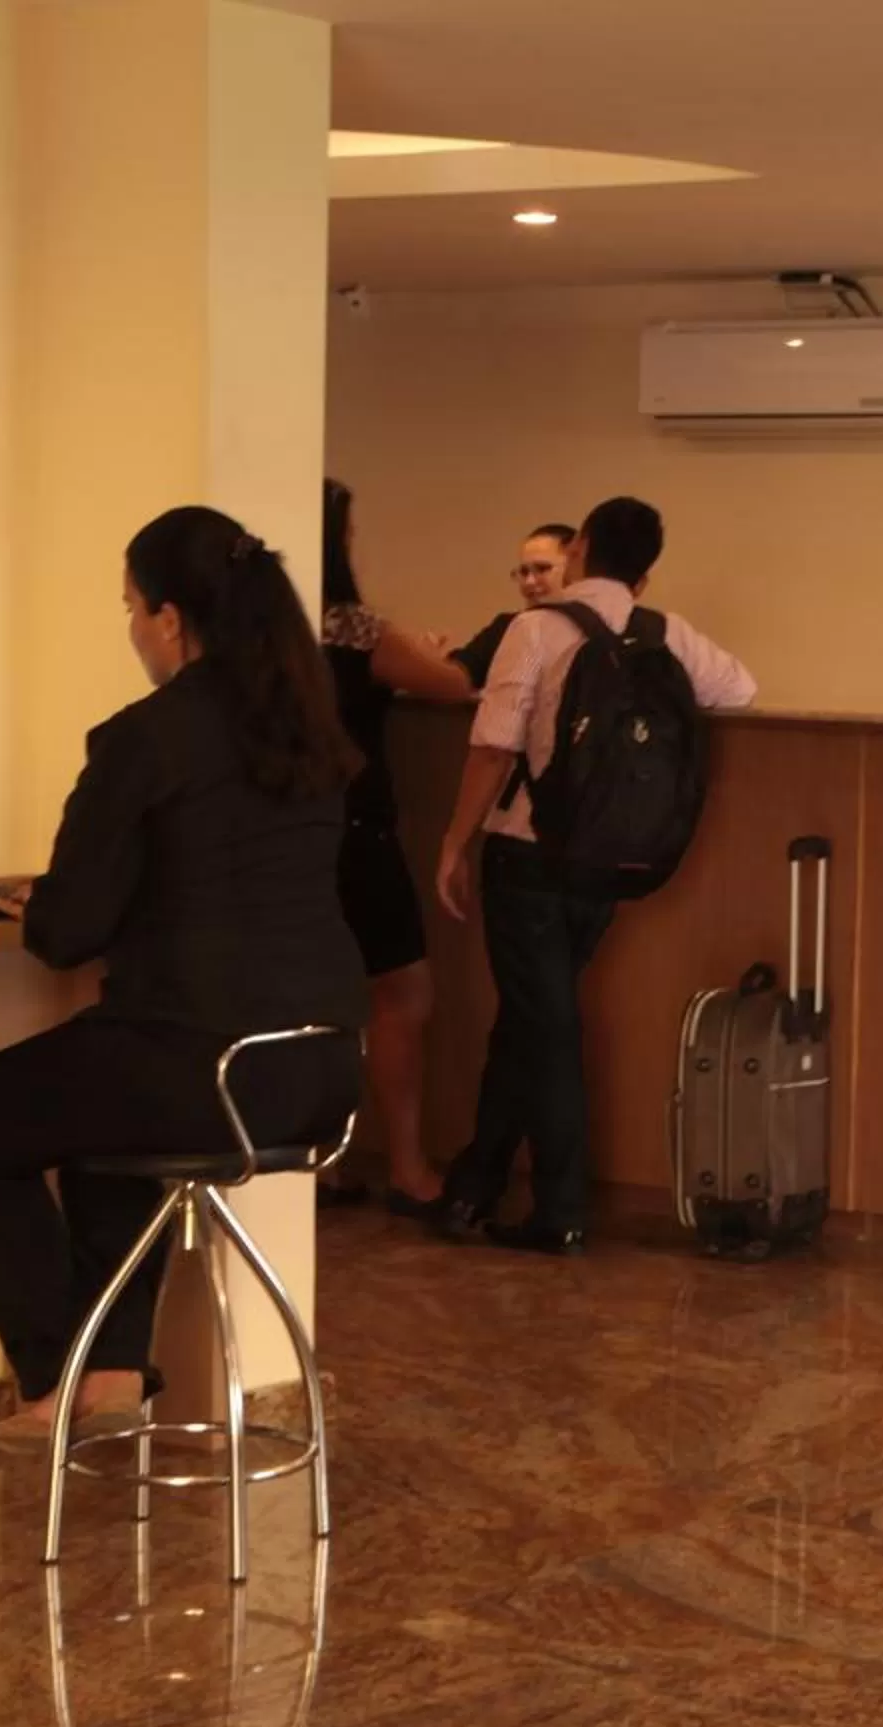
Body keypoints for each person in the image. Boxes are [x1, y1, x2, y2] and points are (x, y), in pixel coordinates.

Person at [0, 506, 366, 1451]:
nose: (131, 629)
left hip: (200, 1071)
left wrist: (41, 902)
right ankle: (116, 1375)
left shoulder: (145, 737)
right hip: (319, 1068)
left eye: (131, 608)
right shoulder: (307, 731)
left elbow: (67, 934)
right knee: (100, 1107)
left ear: (171, 619)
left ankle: (57, 1378)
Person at [430, 496, 757, 1255]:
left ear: (579, 547)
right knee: (531, 1020)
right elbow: (739, 689)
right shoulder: (663, 632)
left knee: (544, 1026)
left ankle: (559, 1208)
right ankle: (474, 1185)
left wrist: (452, 843)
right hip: (608, 860)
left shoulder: (535, 630)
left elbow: (493, 745)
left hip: (528, 855)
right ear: (646, 572)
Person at [316, 476, 480, 1217]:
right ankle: (409, 1166)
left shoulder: (259, 632)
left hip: (282, 836)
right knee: (401, 993)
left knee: (309, 997)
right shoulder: (354, 629)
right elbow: (451, 686)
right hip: (357, 831)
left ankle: (317, 1166)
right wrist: (425, 649)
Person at [448, 522, 579, 687]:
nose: (529, 582)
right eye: (524, 572)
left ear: (575, 569)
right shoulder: (506, 628)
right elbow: (460, 674)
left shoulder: (592, 632)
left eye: (542, 569)